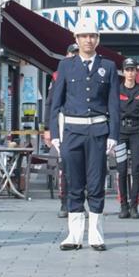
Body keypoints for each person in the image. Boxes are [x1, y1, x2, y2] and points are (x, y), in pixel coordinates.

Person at [47, 18, 120, 251]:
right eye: (84, 36)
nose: (88, 40)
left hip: (98, 131)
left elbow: (113, 105)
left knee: (96, 182)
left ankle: (96, 235)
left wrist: (113, 136)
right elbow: (55, 102)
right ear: (76, 39)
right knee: (73, 182)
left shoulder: (107, 66)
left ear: (98, 39)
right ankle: (74, 235)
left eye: (92, 36)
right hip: (72, 131)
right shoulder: (65, 66)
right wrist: (54, 133)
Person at [45, 43, 80, 220]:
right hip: (63, 123)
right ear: (66, 55)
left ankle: (79, 202)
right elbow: (51, 103)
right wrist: (47, 129)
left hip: (82, 126)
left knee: (83, 167)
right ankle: (64, 202)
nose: (74, 56)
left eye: (76, 53)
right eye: (71, 53)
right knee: (64, 166)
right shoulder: (58, 75)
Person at [116, 58, 139, 219]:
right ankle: (123, 206)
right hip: (121, 133)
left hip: (138, 132)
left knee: (136, 170)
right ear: (123, 72)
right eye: (127, 70)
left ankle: (134, 205)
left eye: (132, 70)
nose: (130, 73)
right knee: (121, 170)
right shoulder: (116, 91)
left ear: (136, 72)